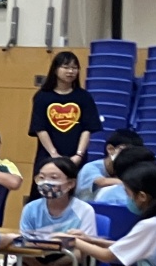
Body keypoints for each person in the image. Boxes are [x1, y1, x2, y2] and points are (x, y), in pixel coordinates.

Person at [28, 51, 101, 194]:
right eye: (66, 67)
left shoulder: (84, 97)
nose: (70, 71)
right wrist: (54, 154)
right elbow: (40, 128)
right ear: (55, 69)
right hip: (47, 156)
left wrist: (78, 155)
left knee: (75, 193)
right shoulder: (42, 96)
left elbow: (87, 129)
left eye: (74, 68)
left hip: (76, 157)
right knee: (45, 193)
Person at [78, 127, 140, 203]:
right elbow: (102, 182)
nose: (129, 156)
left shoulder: (126, 170)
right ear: (110, 149)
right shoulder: (90, 167)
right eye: (125, 152)